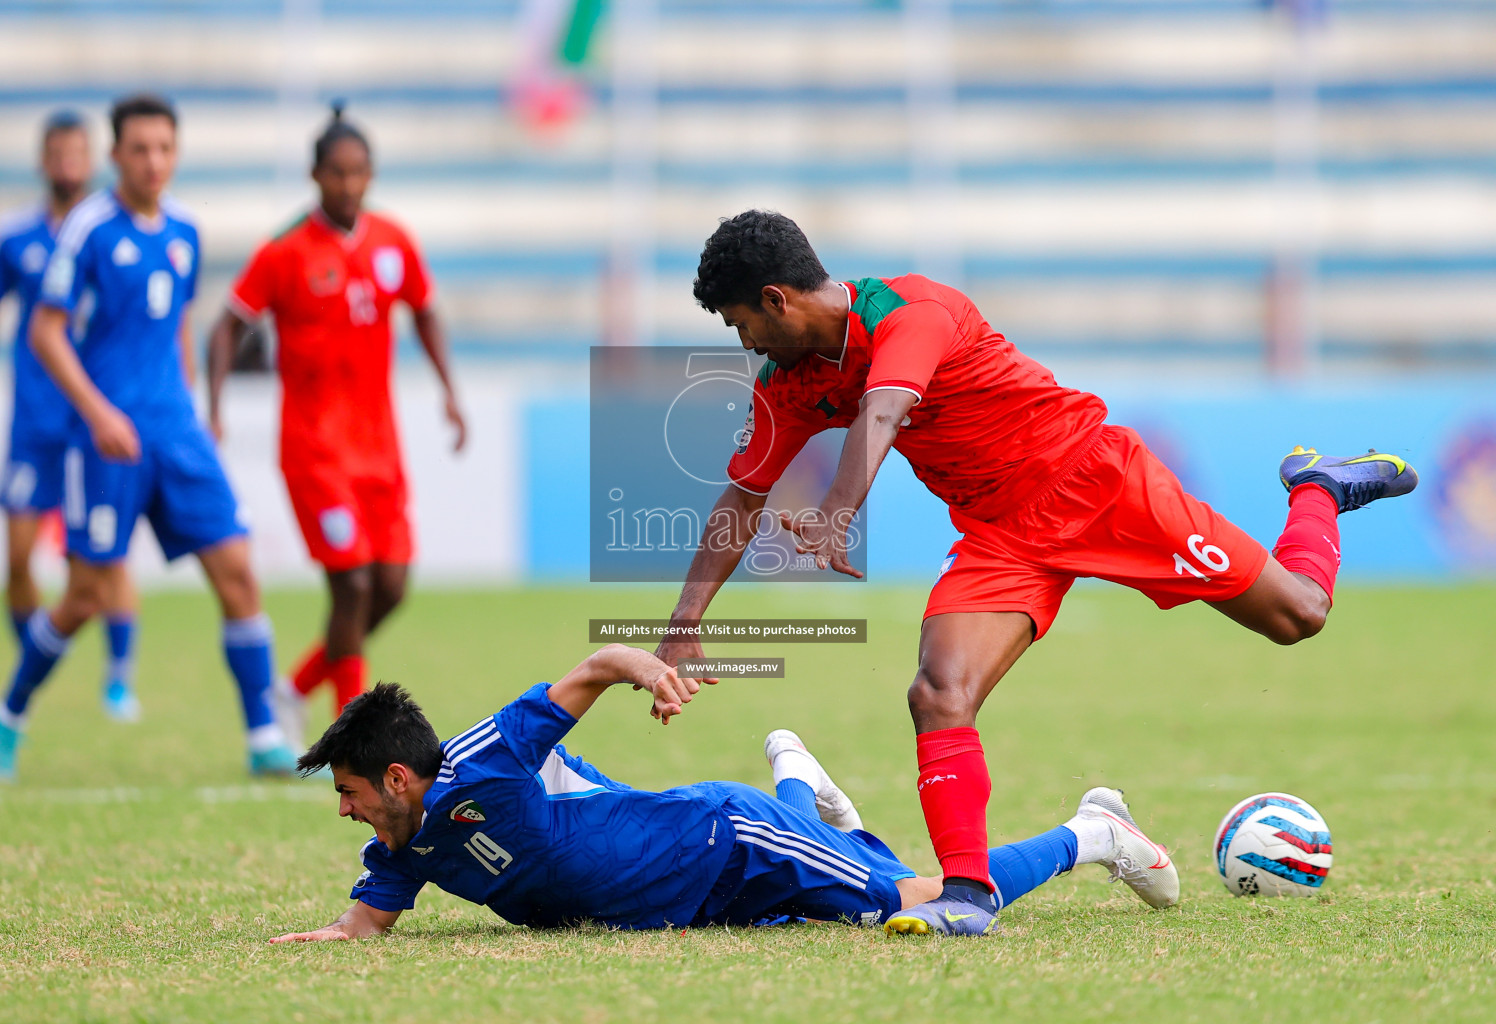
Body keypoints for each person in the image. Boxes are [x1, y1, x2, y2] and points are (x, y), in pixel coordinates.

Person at [653, 210, 1418, 935]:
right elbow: (744, 494)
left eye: (740, 323)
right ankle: (966, 894)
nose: (744, 342)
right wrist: (684, 626)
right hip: (1002, 536)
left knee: (1300, 616)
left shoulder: (914, 310)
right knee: (938, 691)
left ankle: (1318, 489)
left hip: (1099, 485)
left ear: (775, 300)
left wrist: (834, 513)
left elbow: (880, 414)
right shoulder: (787, 384)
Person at [268, 644, 1176, 942]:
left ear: (397, 778)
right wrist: (305, 943)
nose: (343, 810)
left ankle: (1089, 833)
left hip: (726, 840)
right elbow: (362, 928)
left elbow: (594, 666)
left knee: (924, 908)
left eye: (348, 792)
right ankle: (812, 790)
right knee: (865, 893)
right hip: (699, 906)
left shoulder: (484, 760)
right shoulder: (398, 844)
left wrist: (654, 672)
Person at [0, 94, 297, 782]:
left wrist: (190, 402)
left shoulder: (185, 230)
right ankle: (7, 716)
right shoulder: (87, 228)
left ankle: (264, 734)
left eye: (164, 149)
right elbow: (44, 331)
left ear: (176, 154)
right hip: (108, 440)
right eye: (140, 149)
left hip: (175, 434)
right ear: (115, 155)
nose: (154, 162)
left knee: (238, 572)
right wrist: (97, 413)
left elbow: (177, 319)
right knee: (85, 595)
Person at [207, 102, 466, 749]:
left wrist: (448, 390)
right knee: (350, 583)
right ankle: (356, 740)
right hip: (314, 449)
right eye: (336, 173)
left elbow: (426, 312)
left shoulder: (392, 242)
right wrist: (212, 404)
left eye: (358, 172)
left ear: (370, 173)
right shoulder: (285, 251)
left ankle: (293, 690)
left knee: (391, 588)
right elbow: (227, 325)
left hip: (379, 447)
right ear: (315, 175)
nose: (348, 184)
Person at [0, 110, 142, 723]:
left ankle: (119, 679)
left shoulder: (108, 234)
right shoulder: (15, 238)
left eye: (76, 153)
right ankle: (32, 658)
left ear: (91, 160)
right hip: (33, 427)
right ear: (43, 162)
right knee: (16, 558)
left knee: (103, 557)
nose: (67, 162)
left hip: (94, 425)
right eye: (56, 153)